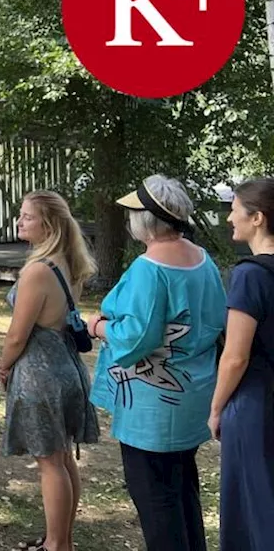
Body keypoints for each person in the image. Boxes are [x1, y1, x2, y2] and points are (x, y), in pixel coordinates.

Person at [86, 175, 226, 551]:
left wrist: (98, 327)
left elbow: (136, 338)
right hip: (194, 395)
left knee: (155, 497)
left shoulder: (150, 268)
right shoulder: (202, 258)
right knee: (182, 487)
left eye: (133, 212)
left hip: (154, 407)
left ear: (146, 219)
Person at [0, 191, 100, 551]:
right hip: (67, 367)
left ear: (49, 224)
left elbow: (16, 334)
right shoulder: (68, 263)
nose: (19, 221)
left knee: (50, 464)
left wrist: (4, 365)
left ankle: (56, 545)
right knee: (62, 457)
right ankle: (63, 540)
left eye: (27, 216)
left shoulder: (38, 271)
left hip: (41, 374)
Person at [208, 177, 274, 551]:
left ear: (258, 218)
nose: (230, 216)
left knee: (254, 508)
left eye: (235, 209)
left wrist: (216, 408)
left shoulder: (249, 276)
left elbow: (235, 356)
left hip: (255, 403)